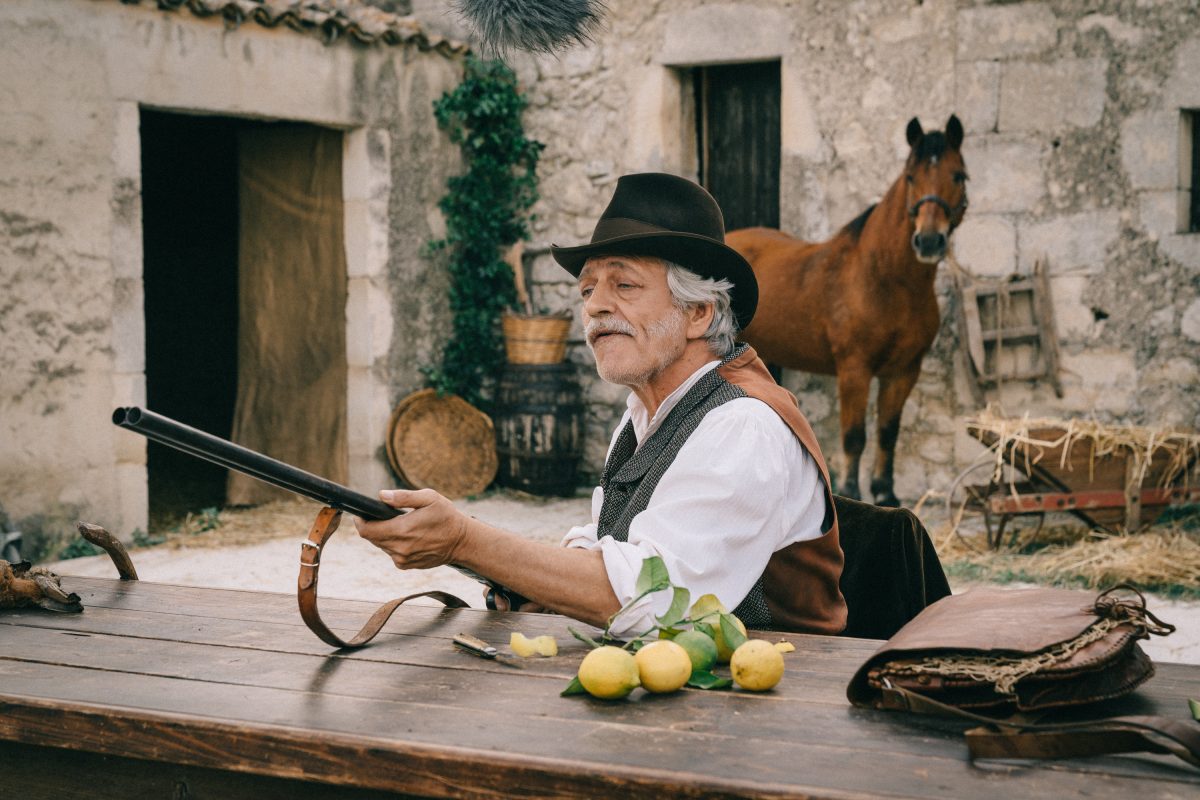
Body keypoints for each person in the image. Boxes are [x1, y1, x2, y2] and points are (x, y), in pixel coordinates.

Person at [355, 173, 846, 637]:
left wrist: (465, 540)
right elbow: (613, 542)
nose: (594, 306)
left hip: (776, 702)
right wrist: (531, 584)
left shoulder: (742, 424)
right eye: (588, 289)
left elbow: (652, 600)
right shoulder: (645, 416)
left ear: (698, 313)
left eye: (624, 285)